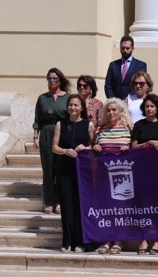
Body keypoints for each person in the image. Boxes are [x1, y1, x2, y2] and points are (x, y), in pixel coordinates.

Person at [51, 94, 95, 253]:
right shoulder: (60, 124)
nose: (73, 108)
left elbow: (95, 147)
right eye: (71, 105)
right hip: (65, 170)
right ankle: (67, 241)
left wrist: (85, 148)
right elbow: (54, 147)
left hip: (83, 172)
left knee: (80, 206)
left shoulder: (89, 125)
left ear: (82, 108)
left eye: (76, 105)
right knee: (67, 205)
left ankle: (81, 242)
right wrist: (65, 150)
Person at [93, 98, 132, 255]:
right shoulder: (99, 130)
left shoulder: (129, 129)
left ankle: (119, 240)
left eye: (114, 110)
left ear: (120, 112)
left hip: (124, 176)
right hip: (103, 175)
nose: (111, 113)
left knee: (121, 208)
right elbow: (92, 147)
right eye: (108, 110)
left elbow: (135, 147)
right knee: (106, 208)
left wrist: (128, 147)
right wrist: (94, 146)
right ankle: (106, 238)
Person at [130, 93, 158, 255]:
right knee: (143, 205)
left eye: (152, 106)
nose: (149, 109)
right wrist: (149, 143)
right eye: (147, 106)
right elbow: (134, 146)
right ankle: (144, 237)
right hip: (142, 169)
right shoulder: (139, 125)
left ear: (157, 108)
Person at [33, 68, 71, 215]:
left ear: (60, 80)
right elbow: (37, 120)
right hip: (47, 133)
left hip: (62, 133)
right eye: (49, 79)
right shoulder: (42, 98)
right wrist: (36, 137)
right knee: (48, 169)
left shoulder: (68, 97)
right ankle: (49, 200)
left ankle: (60, 201)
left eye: (55, 79)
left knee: (61, 169)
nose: (52, 81)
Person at [105, 35, 147, 99]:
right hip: (116, 104)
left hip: (133, 101)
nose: (125, 50)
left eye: (127, 48)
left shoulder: (140, 65)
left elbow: (142, 86)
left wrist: (132, 100)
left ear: (132, 48)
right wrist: (113, 100)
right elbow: (108, 86)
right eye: (123, 48)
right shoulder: (113, 65)